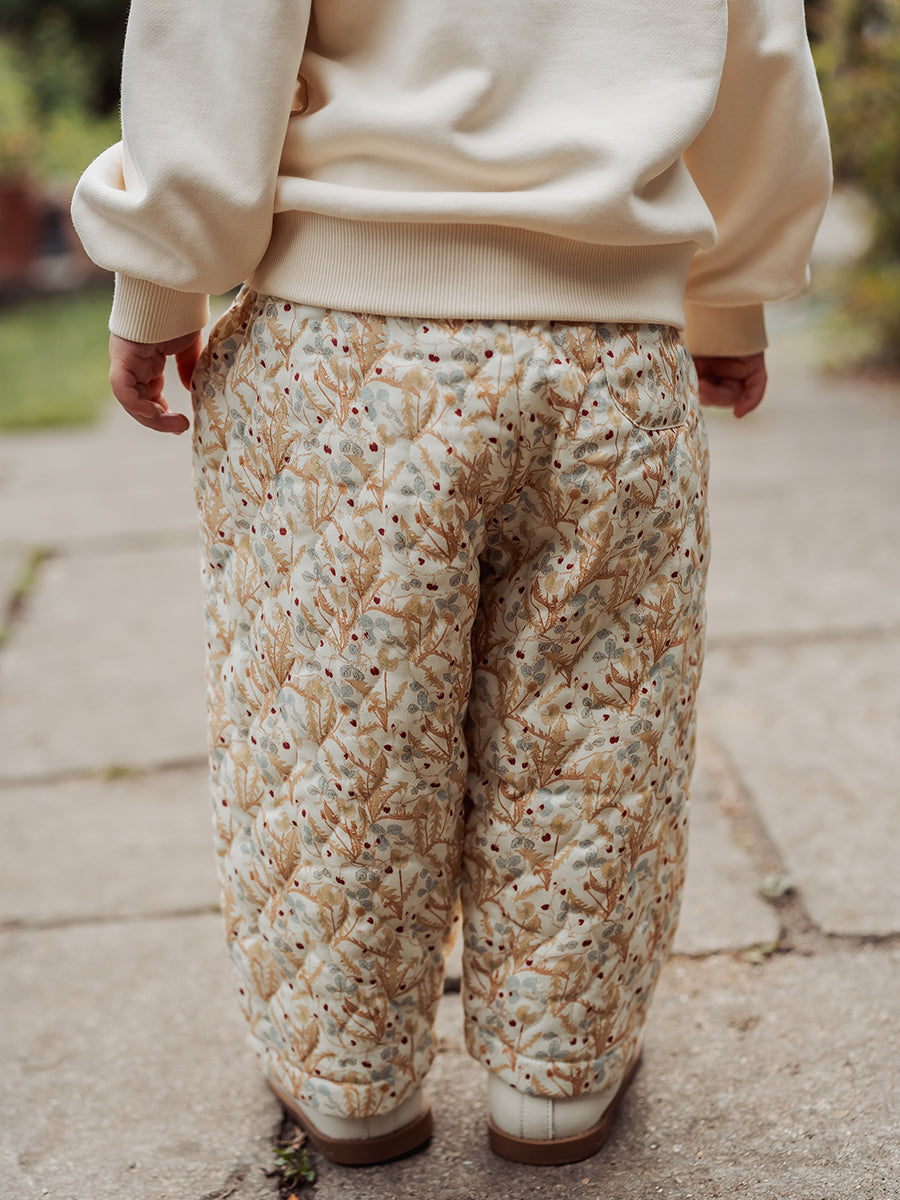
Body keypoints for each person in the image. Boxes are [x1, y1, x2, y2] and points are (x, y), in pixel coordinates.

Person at [71, 0, 831, 1169]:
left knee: (343, 737)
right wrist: (728, 293)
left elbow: (217, 29)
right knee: (597, 725)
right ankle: (557, 1078)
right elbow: (760, 52)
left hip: (344, 355)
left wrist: (163, 276)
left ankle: (350, 1081)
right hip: (611, 362)